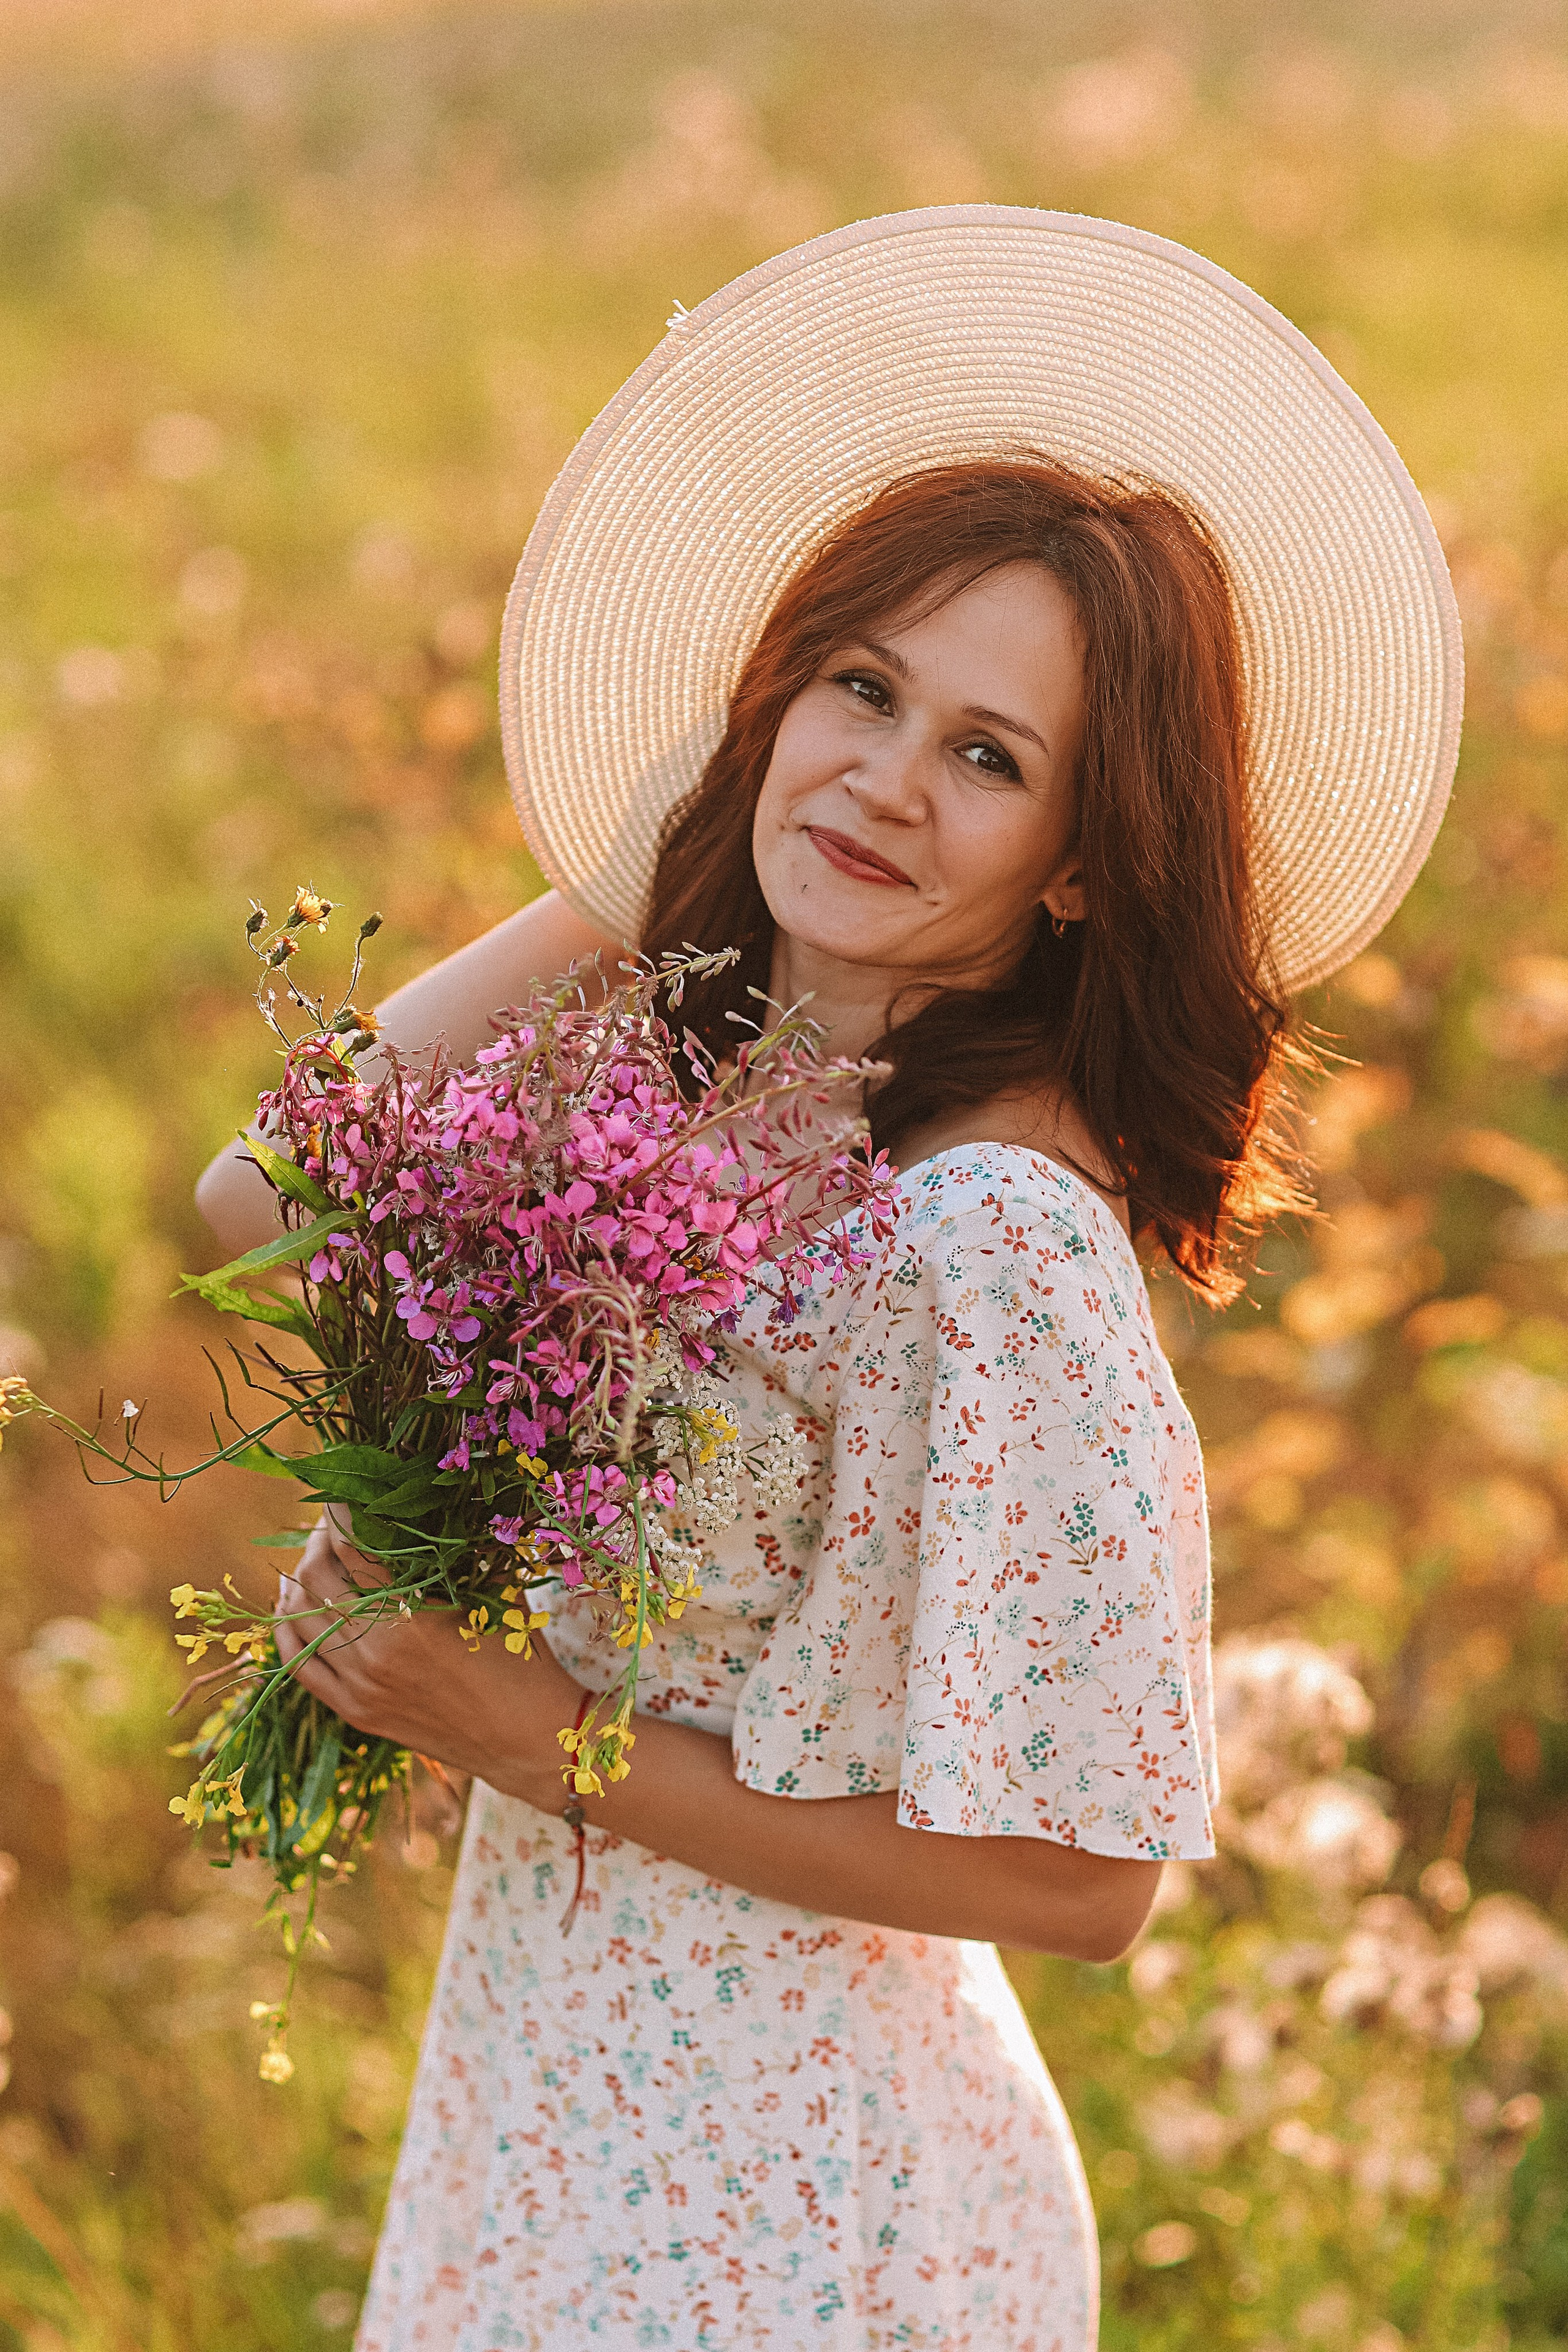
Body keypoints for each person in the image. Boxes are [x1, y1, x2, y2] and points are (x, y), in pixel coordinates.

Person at [195, 209, 1461, 2351]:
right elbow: (266, 1199)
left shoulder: (997, 1241)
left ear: (1078, 858)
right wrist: (657, 857)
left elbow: (1087, 1884)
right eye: (857, 691)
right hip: (559, 2114)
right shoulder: (716, 1124)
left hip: (807, 2218)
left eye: (988, 755)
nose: (884, 776)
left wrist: (534, 1731)